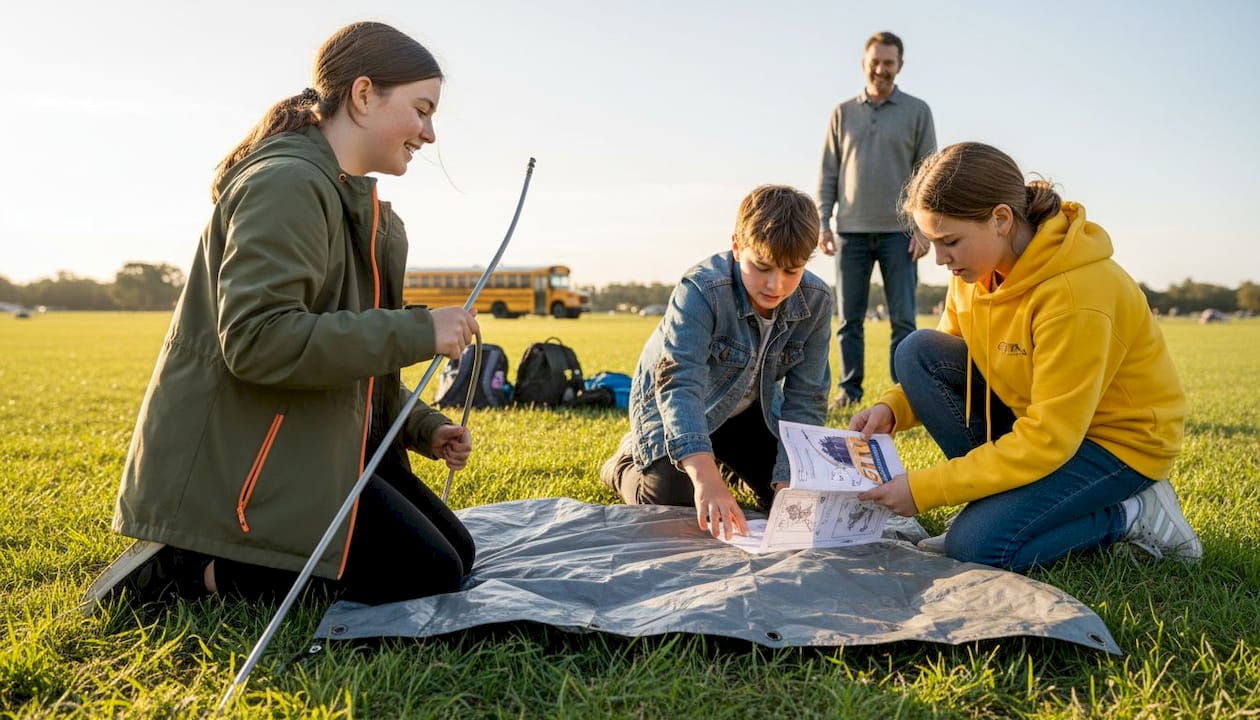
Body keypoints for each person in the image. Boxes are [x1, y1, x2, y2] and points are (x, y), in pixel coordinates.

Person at [83, 21, 482, 609]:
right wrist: (419, 329)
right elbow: (257, 339)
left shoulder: (349, 199)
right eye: (421, 110)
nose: (428, 132)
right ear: (364, 94)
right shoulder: (289, 183)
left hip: (310, 440)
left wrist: (423, 427)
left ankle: (226, 559)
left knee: (457, 555)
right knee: (424, 571)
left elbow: (350, 357)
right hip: (249, 463)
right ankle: (190, 568)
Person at [851, 142, 1202, 571]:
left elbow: (1048, 439)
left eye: (950, 242)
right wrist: (893, 408)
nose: (939, 259)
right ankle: (1000, 508)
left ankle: (1134, 513)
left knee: (978, 548)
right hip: (1043, 425)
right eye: (932, 242)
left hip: (1116, 446)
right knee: (917, 352)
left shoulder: (1076, 294)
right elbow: (946, 354)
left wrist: (926, 489)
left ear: (1000, 219)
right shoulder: (974, 271)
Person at [600, 185, 833, 539]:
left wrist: (789, 484)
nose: (776, 285)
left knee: (788, 498)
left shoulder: (816, 301)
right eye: (763, 266)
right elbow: (680, 384)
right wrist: (705, 478)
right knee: (672, 501)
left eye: (792, 271)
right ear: (738, 247)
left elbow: (807, 398)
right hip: (675, 406)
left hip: (749, 410)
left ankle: (726, 464)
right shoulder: (701, 289)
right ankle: (623, 464)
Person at [817, 31, 936, 409]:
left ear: (900, 66)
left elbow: (928, 174)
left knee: (903, 321)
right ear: (863, 62)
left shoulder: (918, 111)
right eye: (875, 61)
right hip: (850, 231)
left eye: (889, 63)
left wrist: (923, 228)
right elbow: (828, 172)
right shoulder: (842, 113)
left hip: (900, 234)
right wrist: (823, 221)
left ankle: (904, 396)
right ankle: (849, 392)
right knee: (848, 320)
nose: (881, 69)